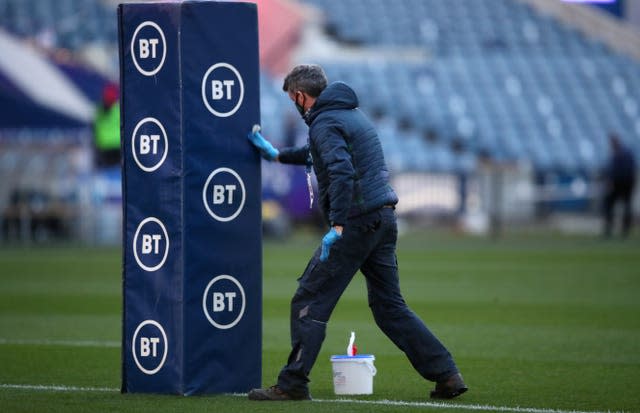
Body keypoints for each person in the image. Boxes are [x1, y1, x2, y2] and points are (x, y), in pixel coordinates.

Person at [246, 64, 467, 401]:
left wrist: (337, 223)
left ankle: (292, 384)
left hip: (356, 222)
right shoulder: (350, 114)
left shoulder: (324, 121)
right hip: (384, 219)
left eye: (293, 98)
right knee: (389, 308)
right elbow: (319, 154)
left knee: (309, 299)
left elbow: (340, 170)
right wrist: (278, 155)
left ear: (301, 96)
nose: (294, 103)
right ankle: (447, 375)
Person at [602, 133, 636, 238]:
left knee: (622, 207)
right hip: (624, 184)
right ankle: (616, 230)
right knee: (618, 206)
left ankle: (619, 231)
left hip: (622, 184)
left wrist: (611, 181)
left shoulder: (621, 154)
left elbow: (622, 171)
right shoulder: (621, 153)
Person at [93, 83, 121, 168]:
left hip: (106, 147)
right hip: (114, 146)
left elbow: (95, 127)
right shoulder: (117, 109)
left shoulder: (99, 110)